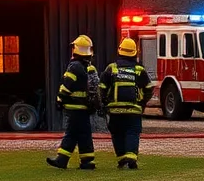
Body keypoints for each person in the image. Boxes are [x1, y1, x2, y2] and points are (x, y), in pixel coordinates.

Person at [100, 38, 154, 169]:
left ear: (120, 51)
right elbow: (149, 88)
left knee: (117, 133)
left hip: (114, 111)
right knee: (132, 132)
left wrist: (104, 103)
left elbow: (101, 87)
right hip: (133, 111)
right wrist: (142, 103)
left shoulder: (111, 68)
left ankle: (121, 158)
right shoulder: (139, 70)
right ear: (135, 53)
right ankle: (131, 159)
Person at [47, 35, 98, 170]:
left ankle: (62, 160)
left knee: (71, 133)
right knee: (83, 134)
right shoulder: (89, 67)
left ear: (76, 49)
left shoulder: (74, 66)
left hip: (74, 107)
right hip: (85, 107)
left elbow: (67, 85)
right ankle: (87, 161)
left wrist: (59, 99)